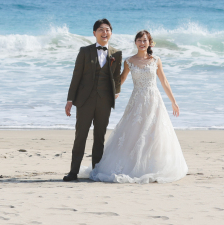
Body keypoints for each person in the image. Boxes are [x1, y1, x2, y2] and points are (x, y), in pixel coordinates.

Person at [89, 29, 188, 183]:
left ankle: (153, 166)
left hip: (154, 101)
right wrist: (110, 93)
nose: (142, 43)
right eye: (139, 40)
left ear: (150, 43)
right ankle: (131, 165)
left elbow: (164, 82)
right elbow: (121, 79)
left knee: (155, 134)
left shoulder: (156, 60)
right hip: (137, 101)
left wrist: (173, 102)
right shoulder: (129, 61)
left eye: (145, 40)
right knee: (134, 134)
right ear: (135, 42)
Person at [63, 19, 122, 182]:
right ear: (94, 33)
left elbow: (116, 77)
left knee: (99, 137)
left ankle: (96, 172)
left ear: (111, 33)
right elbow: (76, 77)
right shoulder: (84, 51)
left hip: (105, 101)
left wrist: (116, 92)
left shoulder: (116, 53)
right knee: (80, 136)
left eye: (108, 29)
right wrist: (70, 100)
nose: (105, 32)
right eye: (101, 30)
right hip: (84, 101)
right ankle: (73, 172)